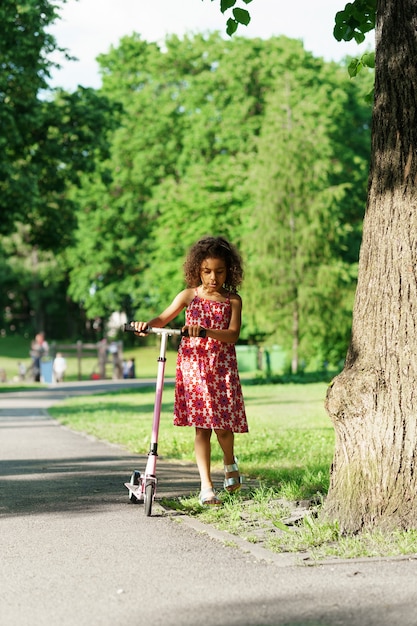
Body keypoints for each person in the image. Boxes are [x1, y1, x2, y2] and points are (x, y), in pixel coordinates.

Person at [133, 235, 248, 506]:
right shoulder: (189, 296)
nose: (213, 277)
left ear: (229, 270)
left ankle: (229, 460)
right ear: (197, 269)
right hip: (194, 368)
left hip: (221, 367)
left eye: (219, 271)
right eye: (207, 271)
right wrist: (145, 325)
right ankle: (206, 486)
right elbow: (163, 318)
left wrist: (206, 331)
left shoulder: (233, 300)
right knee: (202, 429)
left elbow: (232, 335)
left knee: (222, 427)